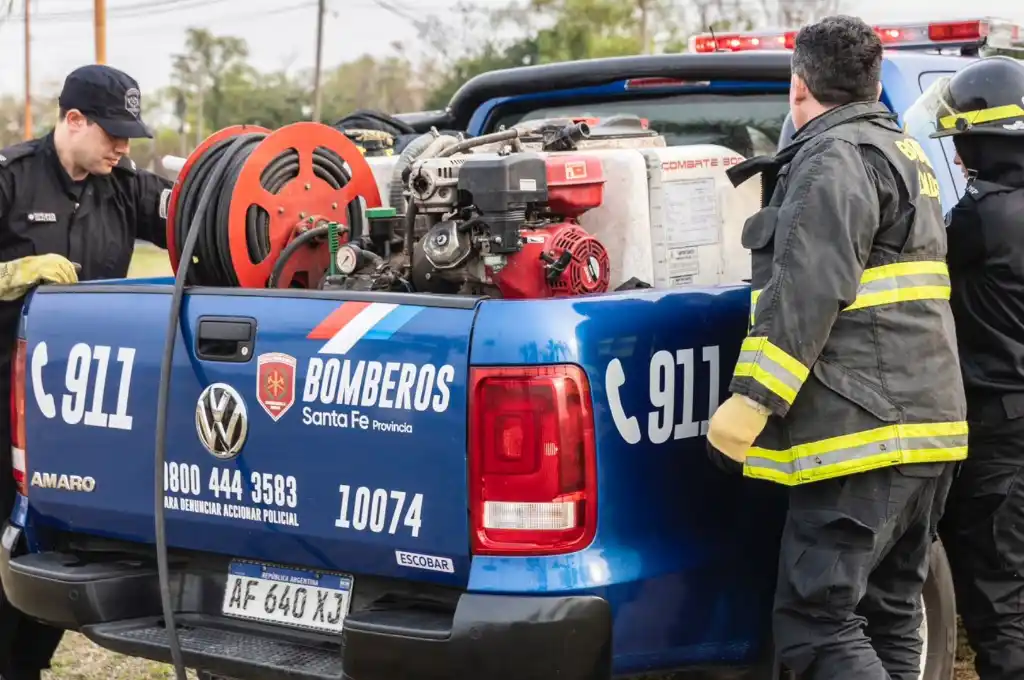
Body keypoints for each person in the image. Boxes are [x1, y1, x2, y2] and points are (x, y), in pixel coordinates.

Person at [709, 15, 968, 680]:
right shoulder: (902, 152)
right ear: (873, 84)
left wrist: (750, 403)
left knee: (817, 626)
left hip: (863, 437)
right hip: (926, 429)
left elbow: (805, 294)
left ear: (800, 89)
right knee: (887, 614)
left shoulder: (834, 159)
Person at [0, 64, 171, 680]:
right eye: (113, 132)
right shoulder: (10, 179)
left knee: (58, 549)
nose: (124, 146)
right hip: (5, 401)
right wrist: (14, 274)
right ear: (73, 120)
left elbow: (199, 216)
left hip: (79, 411)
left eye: (131, 133)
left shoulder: (121, 184)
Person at [904, 55, 1024, 680]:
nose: (956, 157)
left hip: (999, 439)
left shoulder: (985, 216)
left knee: (1002, 617)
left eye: (963, 143)